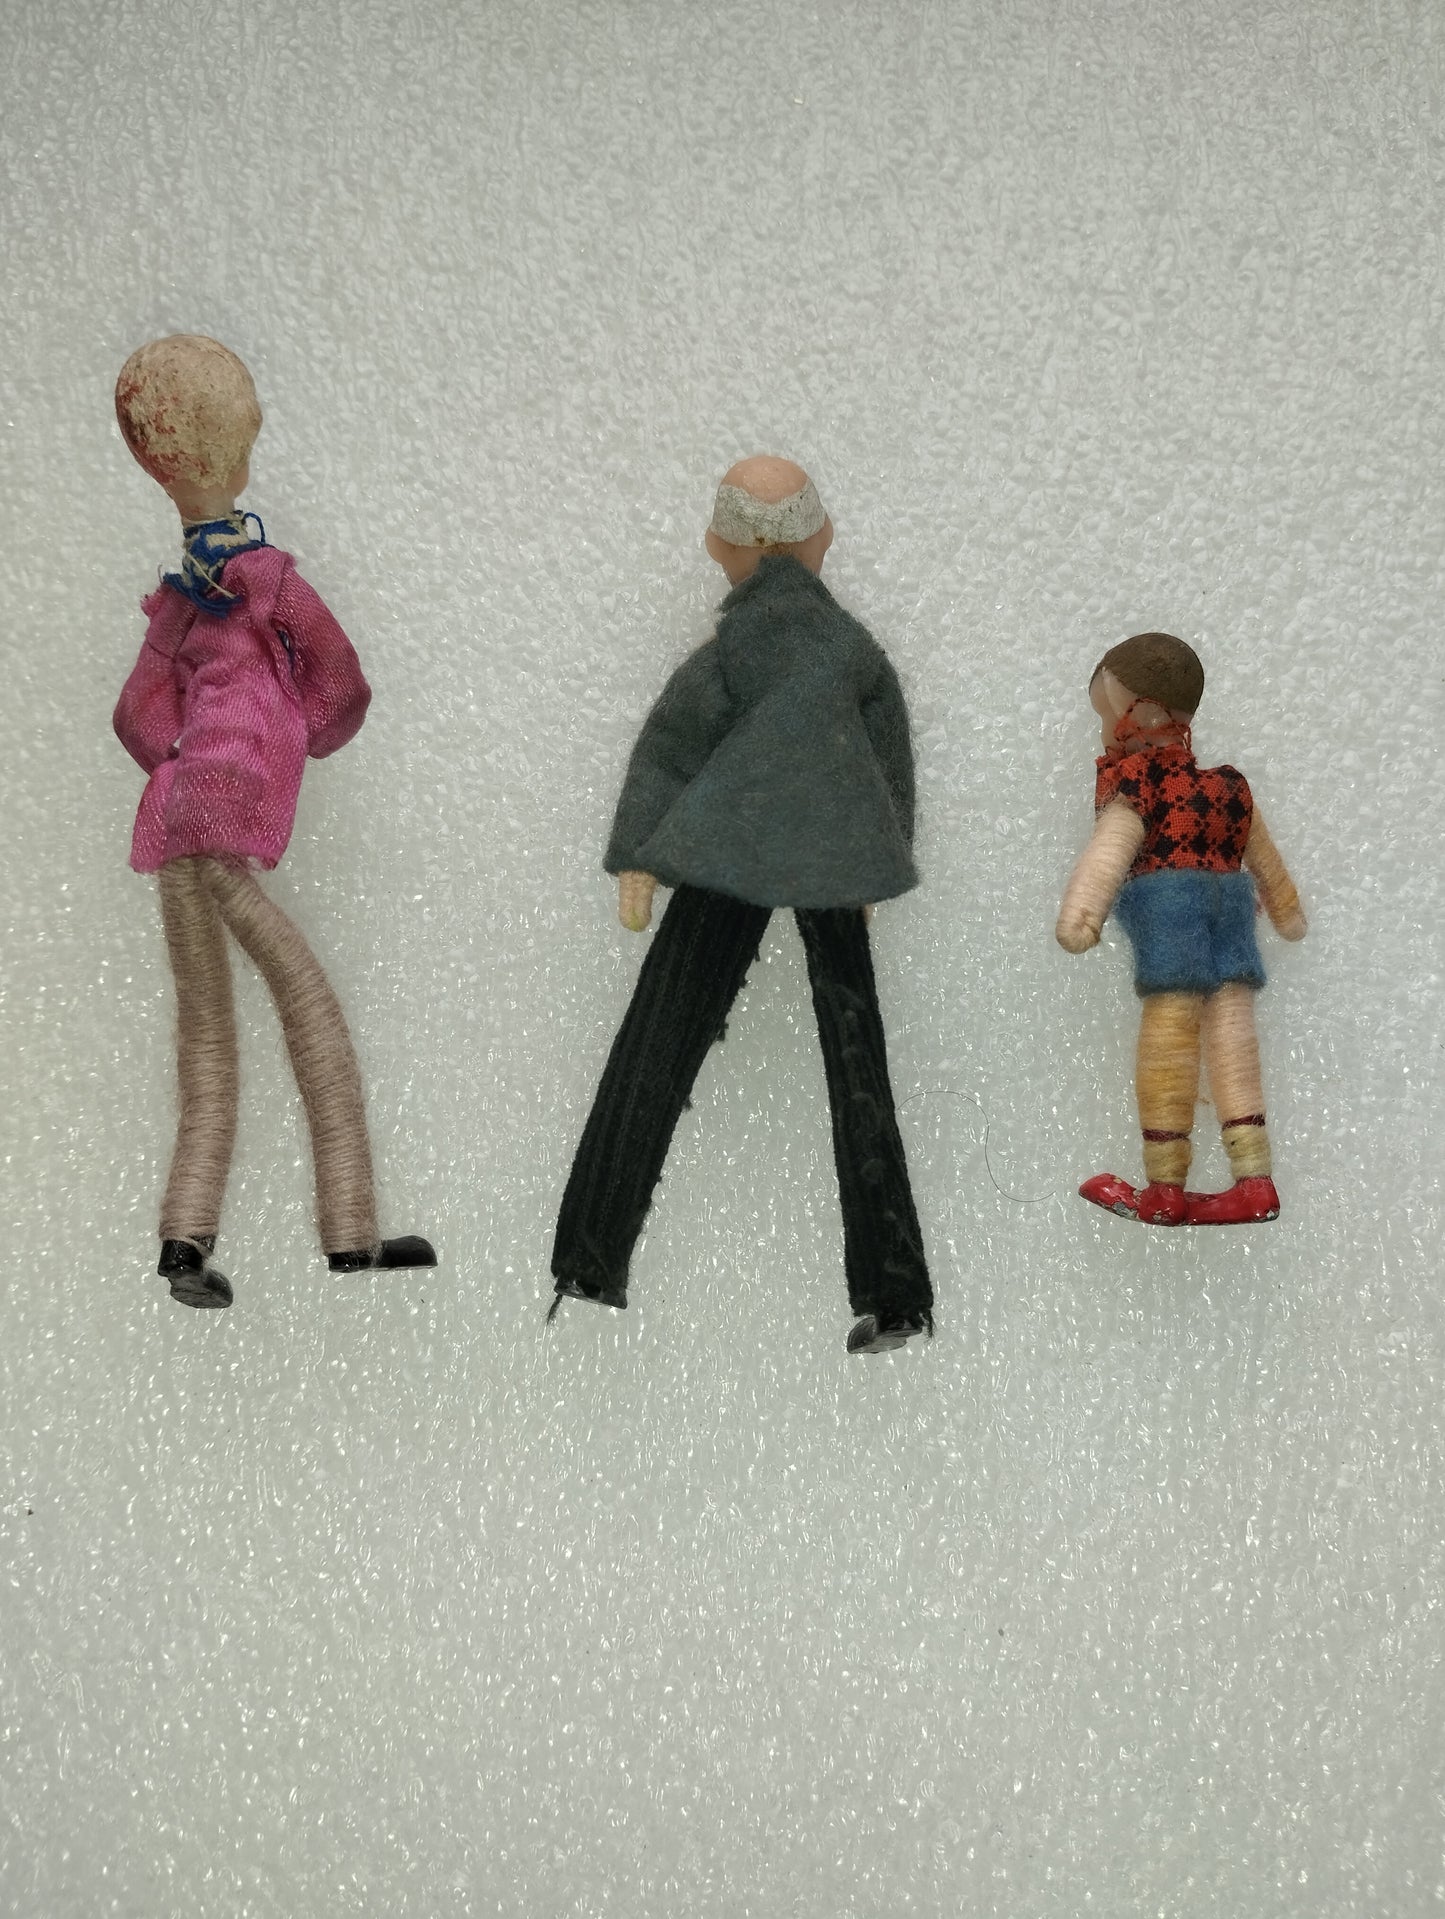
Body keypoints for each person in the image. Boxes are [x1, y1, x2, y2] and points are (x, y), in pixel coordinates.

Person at [550, 456, 932, 1352]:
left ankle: (589, 1258)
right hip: (828, 852)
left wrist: (638, 857)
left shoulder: (733, 653)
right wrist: (877, 859)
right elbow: (889, 760)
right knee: (856, 1056)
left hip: (727, 852)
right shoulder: (853, 654)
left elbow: (670, 746)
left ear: (721, 548)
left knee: (661, 1030)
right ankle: (895, 1291)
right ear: (822, 538)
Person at [113, 334, 435, 1306]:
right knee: (309, 1008)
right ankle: (349, 1235)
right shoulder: (269, 581)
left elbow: (135, 716)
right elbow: (340, 685)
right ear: (234, 448)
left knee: (207, 1037)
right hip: (220, 824)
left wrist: (184, 767)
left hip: (174, 824)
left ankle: (183, 1246)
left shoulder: (180, 601)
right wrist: (287, 741)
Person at [1055, 632, 1306, 1225]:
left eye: (1107, 714)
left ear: (1141, 712)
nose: (1104, 730)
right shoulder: (1230, 787)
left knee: (1168, 1044)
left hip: (1172, 919)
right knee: (1233, 1042)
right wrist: (1288, 914)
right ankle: (1255, 1180)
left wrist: (1081, 917)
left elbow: (1111, 849)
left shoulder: (1139, 782)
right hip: (1232, 918)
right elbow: (1265, 862)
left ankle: (1165, 1188)